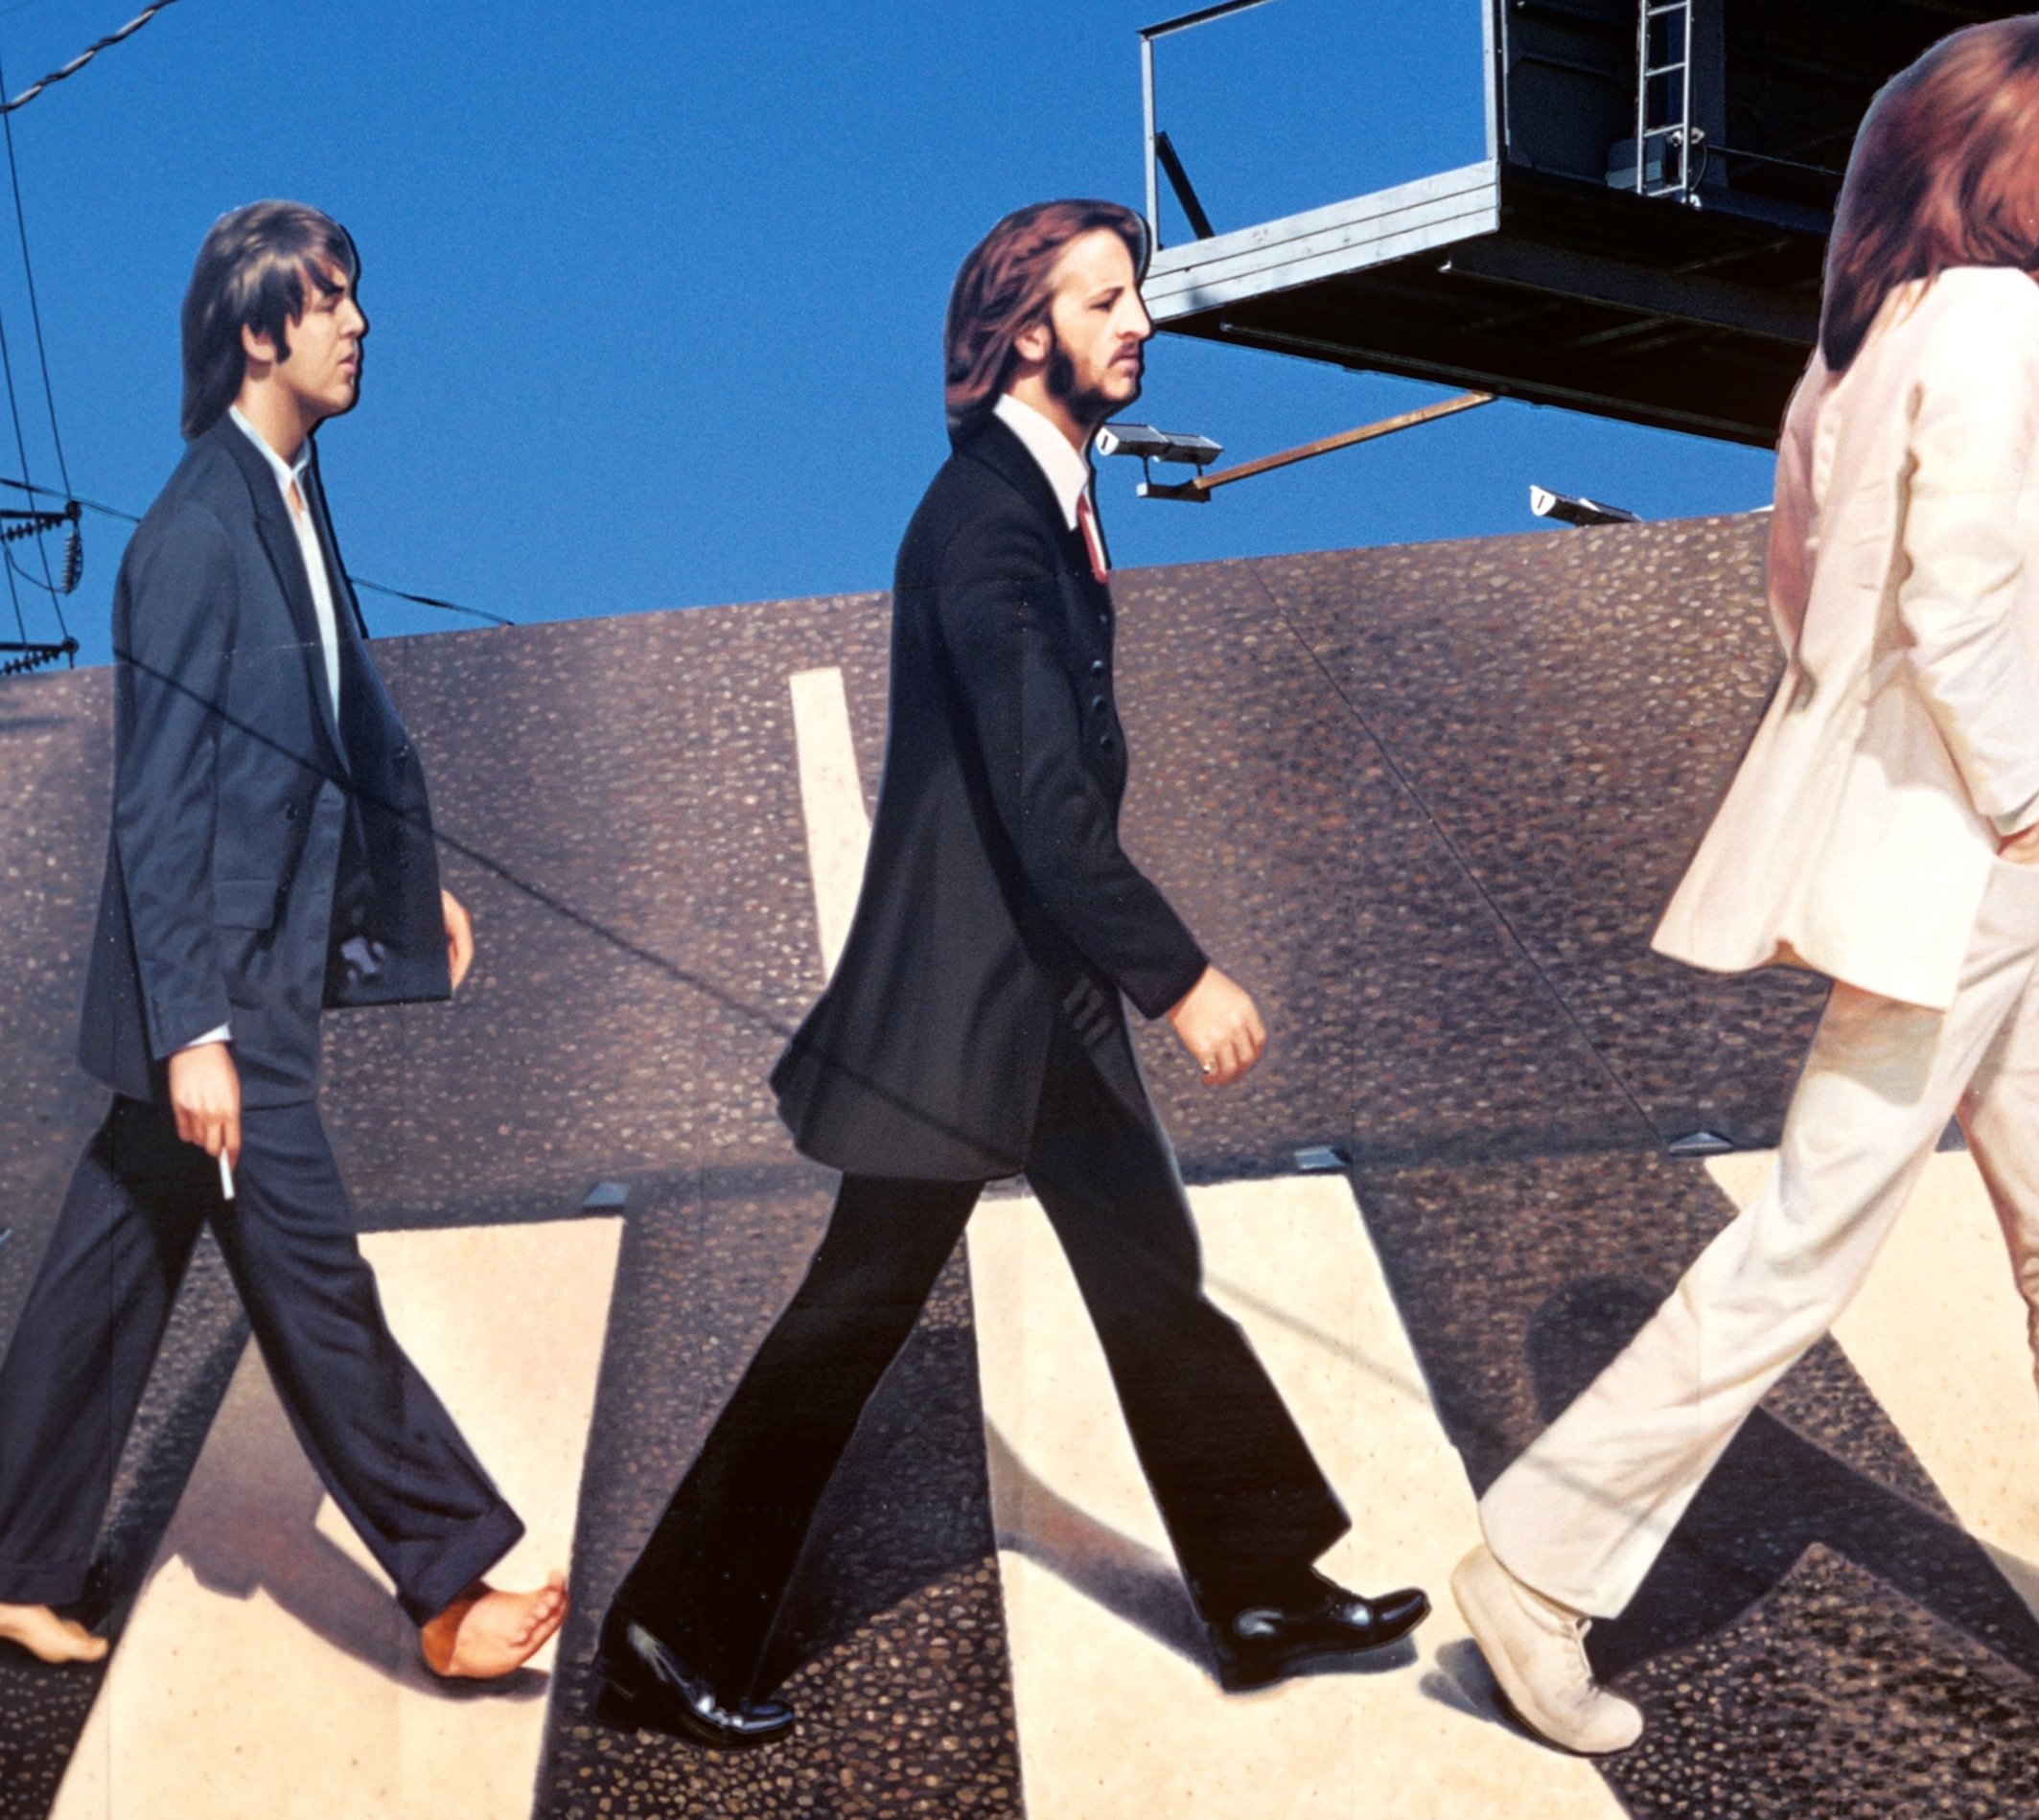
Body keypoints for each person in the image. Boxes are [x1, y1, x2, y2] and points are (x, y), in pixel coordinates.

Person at [1453, 12, 2039, 1754]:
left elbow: (1804, 590)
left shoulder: (1872, 335)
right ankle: (1537, 1566)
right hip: (1967, 860)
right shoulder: (1991, 323)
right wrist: (2020, 808)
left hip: (1945, 852)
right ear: (2020, 160)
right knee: (1810, 1238)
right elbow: (1958, 610)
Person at [594, 197, 1427, 1749]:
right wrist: (1180, 977)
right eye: (1106, 300)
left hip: (1036, 996)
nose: (1141, 322)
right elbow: (1044, 803)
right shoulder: (984, 526)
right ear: (1028, 331)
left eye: (1136, 296)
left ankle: (1259, 1588)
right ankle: (666, 1629)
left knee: (1148, 1270)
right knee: (856, 1309)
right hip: (966, 1007)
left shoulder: (1042, 500)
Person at [0, 201, 565, 1681]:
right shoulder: (198, 534)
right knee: (315, 1279)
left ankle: (11, 1556)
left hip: (256, 957)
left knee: (117, 1254)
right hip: (227, 989)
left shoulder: (289, 496)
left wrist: (405, 890)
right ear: (259, 332)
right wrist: (193, 1032)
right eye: (329, 302)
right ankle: (447, 1584)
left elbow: (324, 732)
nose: (358, 324)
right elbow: (160, 803)